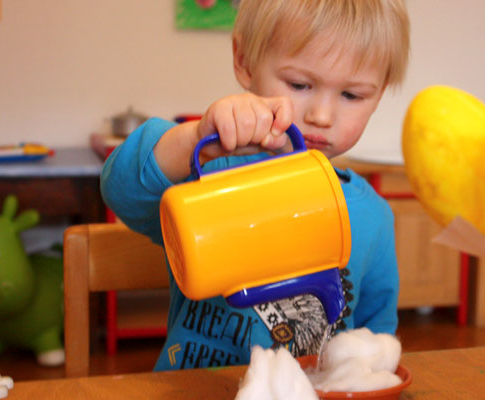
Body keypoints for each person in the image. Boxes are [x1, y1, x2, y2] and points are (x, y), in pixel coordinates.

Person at [101, 0, 410, 371]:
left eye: (352, 95)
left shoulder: (374, 216)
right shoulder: (211, 178)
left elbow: (375, 341)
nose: (322, 116)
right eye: (299, 84)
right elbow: (121, 190)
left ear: (380, 93)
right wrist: (196, 138)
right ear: (244, 61)